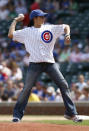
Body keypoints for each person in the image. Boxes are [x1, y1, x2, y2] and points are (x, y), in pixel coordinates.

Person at [8, 9, 82, 122]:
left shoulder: (49, 28)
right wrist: (15, 20)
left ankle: (71, 113)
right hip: (34, 64)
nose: (43, 18)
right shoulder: (27, 31)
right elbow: (10, 34)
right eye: (41, 17)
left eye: (43, 16)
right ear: (34, 18)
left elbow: (66, 26)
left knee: (63, 84)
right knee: (27, 88)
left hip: (49, 63)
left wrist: (67, 35)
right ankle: (17, 115)